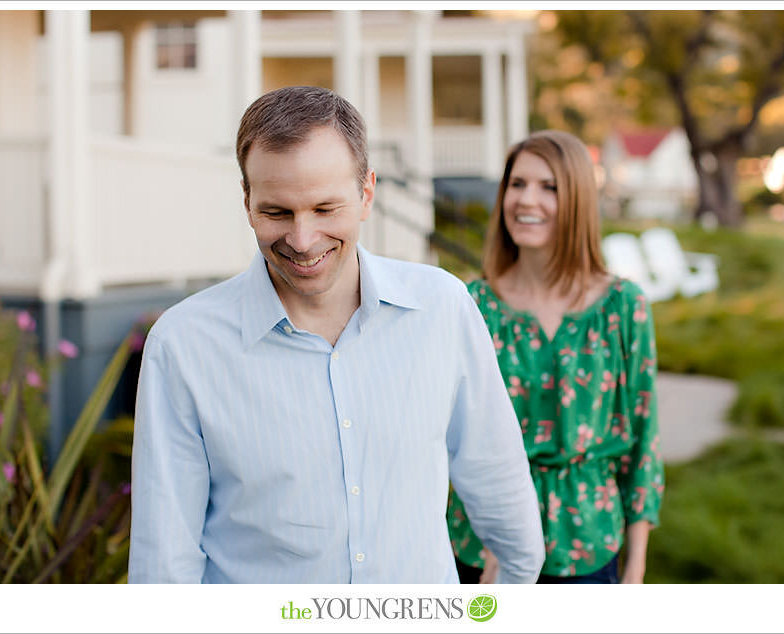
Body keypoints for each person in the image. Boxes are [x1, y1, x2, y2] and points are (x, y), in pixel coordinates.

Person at [128, 86, 544, 583]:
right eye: (277, 212)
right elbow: (163, 564)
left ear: (367, 193)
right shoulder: (184, 345)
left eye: (325, 209)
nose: (302, 241)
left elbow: (502, 494)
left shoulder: (443, 309)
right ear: (247, 201)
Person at [446, 130, 664, 584]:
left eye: (549, 187)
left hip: (588, 542)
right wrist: (494, 542)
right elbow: (455, 440)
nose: (527, 200)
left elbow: (643, 438)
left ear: (579, 200)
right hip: (484, 549)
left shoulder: (622, 307)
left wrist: (636, 568)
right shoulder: (473, 305)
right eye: (517, 183)